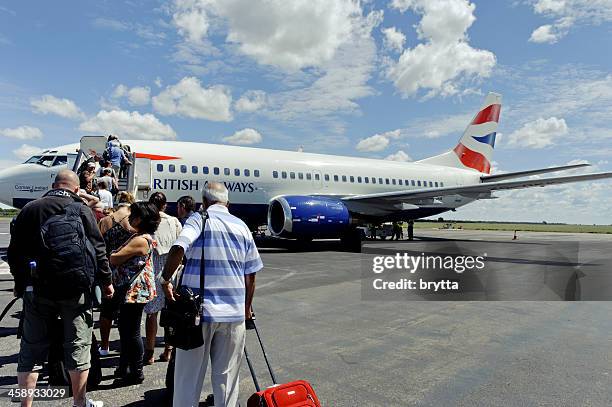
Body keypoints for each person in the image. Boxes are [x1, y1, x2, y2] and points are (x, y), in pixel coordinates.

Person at [7, 169, 114, 407]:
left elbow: (14, 254)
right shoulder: (83, 210)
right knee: (77, 346)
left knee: (31, 351)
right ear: (76, 189)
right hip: (75, 290)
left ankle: (26, 405)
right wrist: (106, 283)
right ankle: (79, 402)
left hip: (37, 289)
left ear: (53, 185)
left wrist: (19, 283)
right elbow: (98, 250)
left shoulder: (31, 209)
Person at [161, 182, 263, 407]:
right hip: (234, 314)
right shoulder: (242, 226)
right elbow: (251, 275)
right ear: (227, 202)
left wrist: (165, 279)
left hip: (198, 314)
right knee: (227, 380)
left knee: (188, 379)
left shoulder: (199, 219)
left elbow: (179, 247)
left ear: (204, 202)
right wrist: (246, 309)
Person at [109, 202, 159, 385]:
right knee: (126, 329)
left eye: (133, 215)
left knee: (132, 331)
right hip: (133, 290)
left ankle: (136, 371)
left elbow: (114, 258)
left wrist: (113, 254)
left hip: (134, 291)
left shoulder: (140, 240)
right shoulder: (140, 236)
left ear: (140, 219)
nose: (129, 218)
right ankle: (125, 366)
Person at [144, 192, 182, 364]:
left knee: (152, 313)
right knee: (171, 313)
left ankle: (150, 352)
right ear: (165, 205)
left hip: (152, 269)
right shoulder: (174, 222)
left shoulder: (146, 222)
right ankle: (168, 350)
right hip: (170, 271)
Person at [97, 192, 136, 355]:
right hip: (131, 272)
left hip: (109, 270)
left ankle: (105, 346)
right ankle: (125, 347)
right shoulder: (135, 220)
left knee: (106, 312)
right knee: (129, 315)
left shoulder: (106, 221)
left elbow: (98, 245)